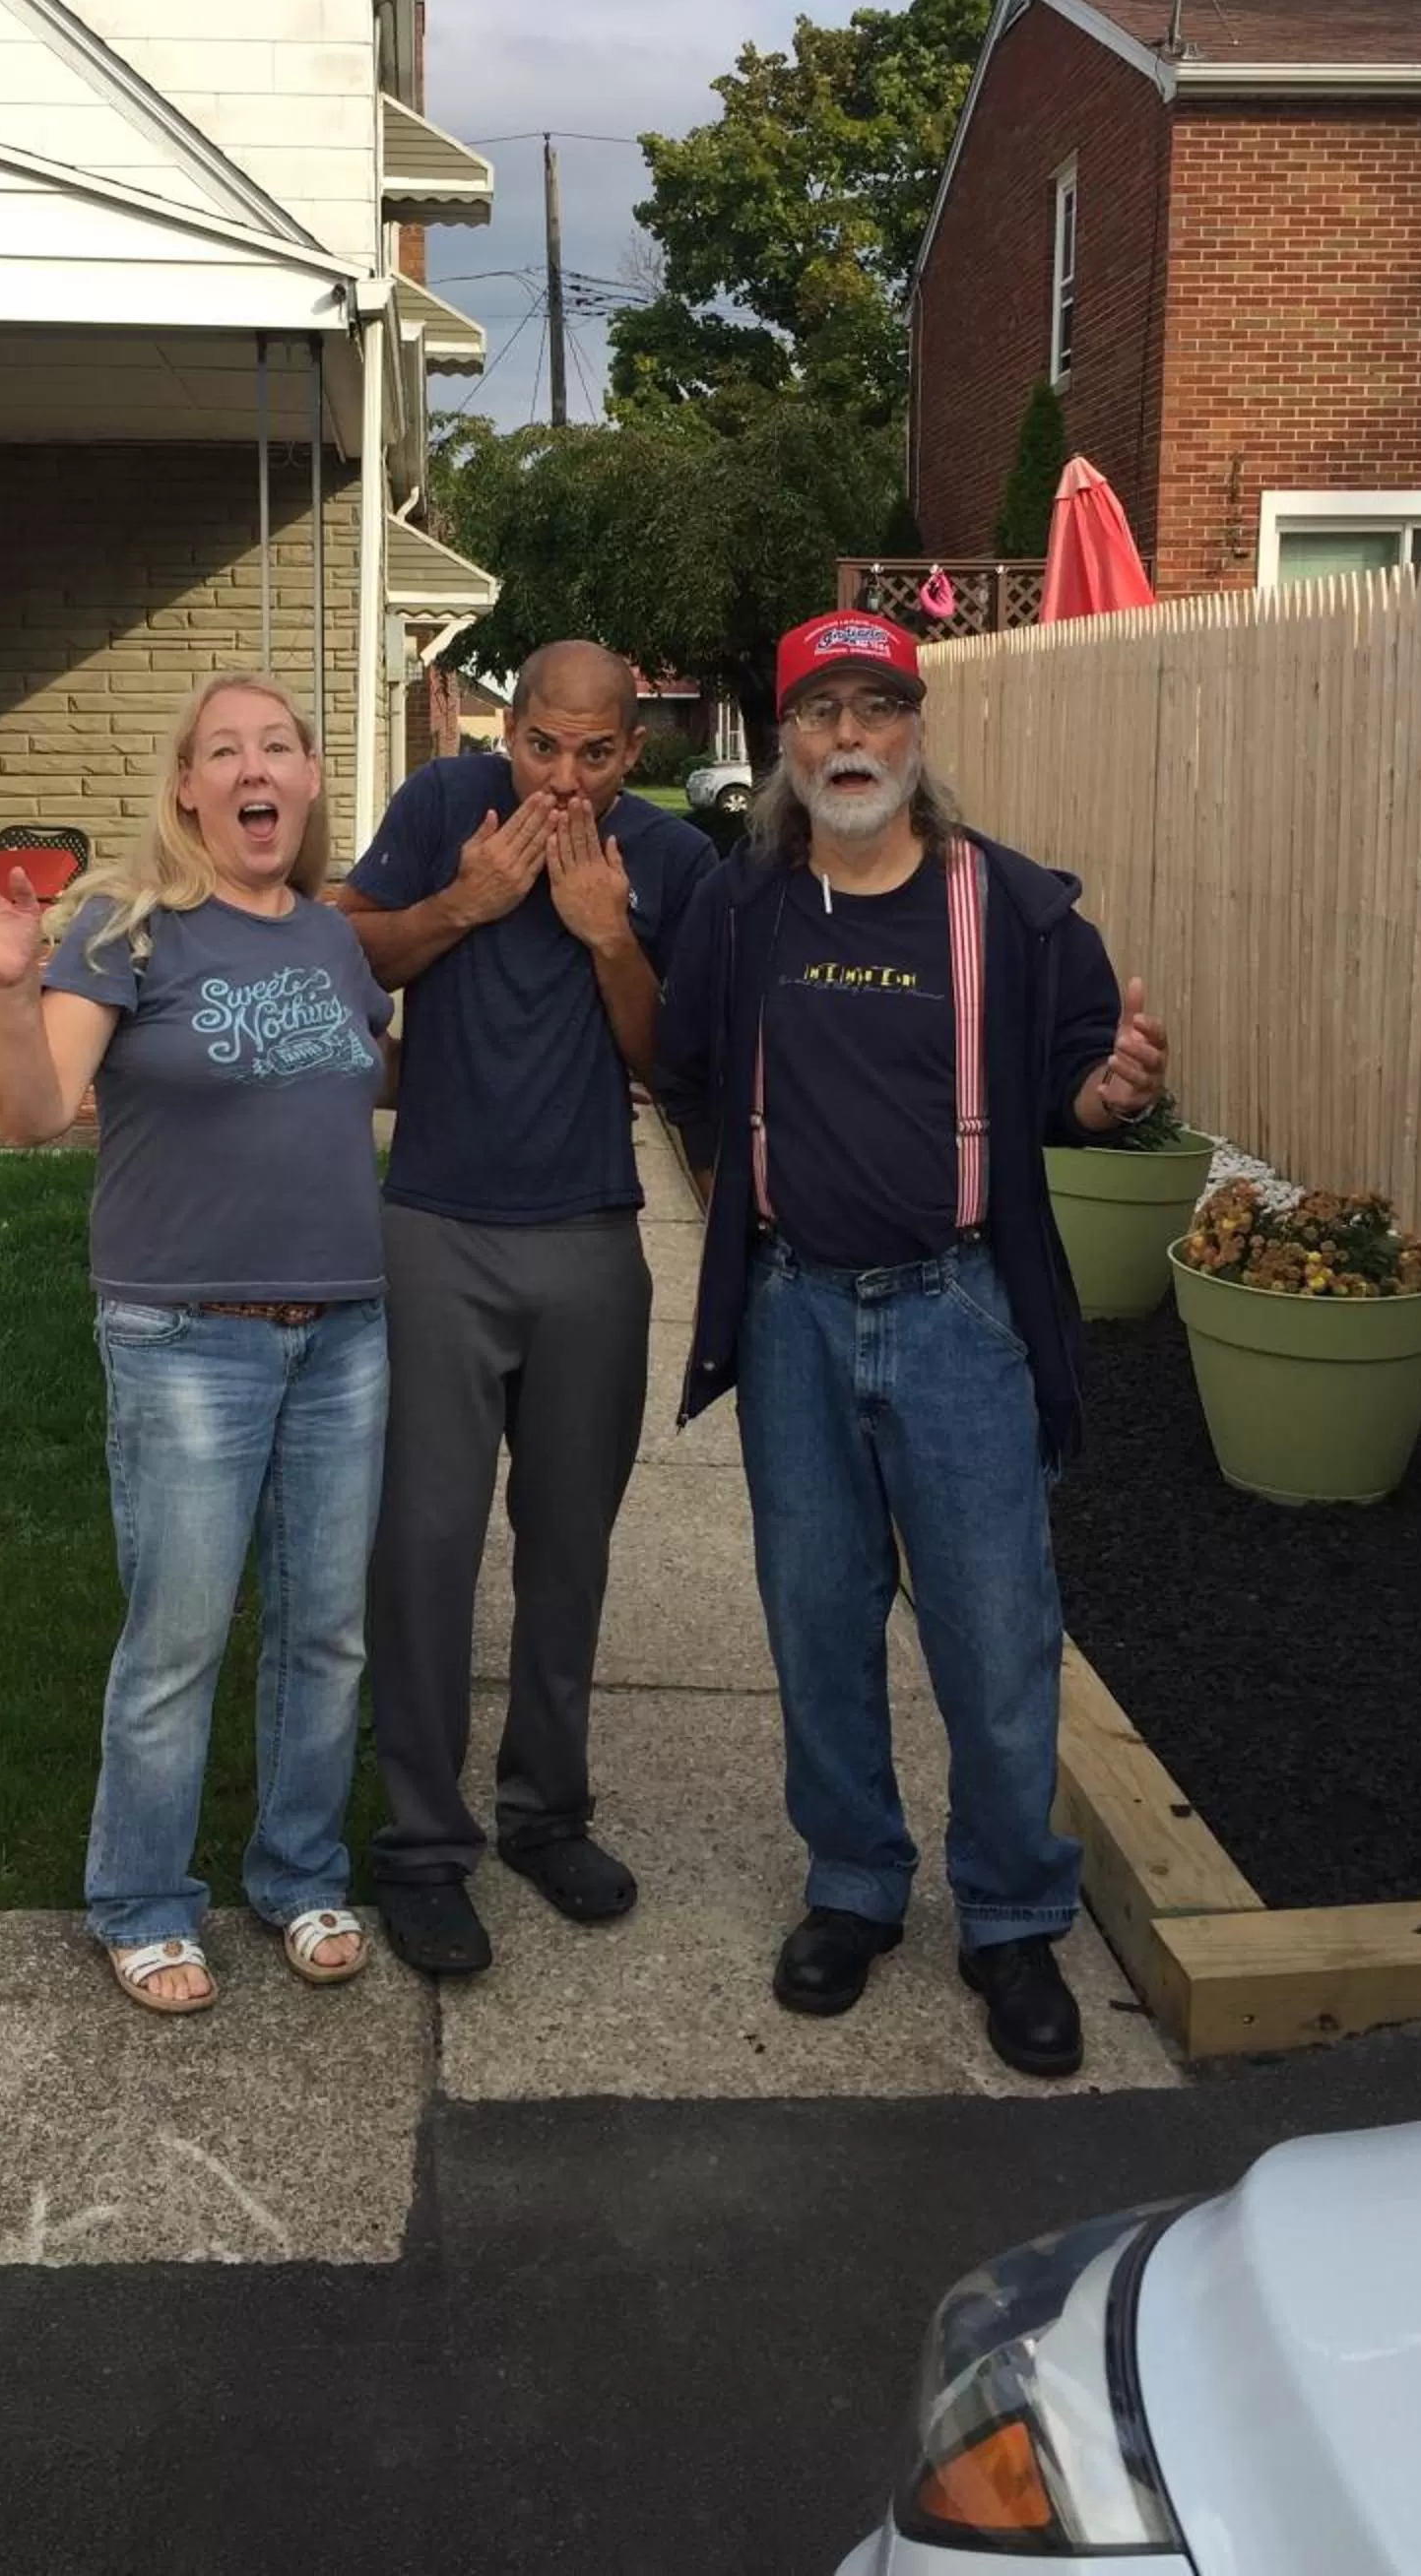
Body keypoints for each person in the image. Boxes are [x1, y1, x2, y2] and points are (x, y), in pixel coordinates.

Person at [655, 609, 1168, 2076]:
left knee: (997, 1638)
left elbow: (1077, 1079)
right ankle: (854, 1887)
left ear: (917, 730)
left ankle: (1008, 1916)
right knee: (816, 1622)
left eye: (876, 710)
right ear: (784, 741)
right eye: (820, 715)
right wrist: (756, 1197)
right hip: (793, 1315)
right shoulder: (742, 908)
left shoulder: (1010, 908)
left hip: (955, 1312)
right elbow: (684, 1068)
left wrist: (1112, 1093)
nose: (848, 741)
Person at [0, 674, 394, 2017]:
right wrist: (11, 988)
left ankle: (298, 1876)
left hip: (344, 1328)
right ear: (185, 788)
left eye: (278, 747)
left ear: (305, 781)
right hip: (188, 1338)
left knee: (326, 1634)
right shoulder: (126, 928)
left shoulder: (332, 943)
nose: (255, 769)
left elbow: (352, 1092)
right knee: (178, 1635)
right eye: (223, 750)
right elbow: (36, 1108)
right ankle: (139, 1898)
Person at [337, 642, 718, 1977]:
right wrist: (465, 903)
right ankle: (423, 1849)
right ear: (512, 735)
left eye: (595, 752)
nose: (563, 776)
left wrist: (610, 938)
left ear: (633, 752)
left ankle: (547, 1814)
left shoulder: (668, 865)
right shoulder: (445, 806)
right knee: (424, 1545)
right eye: (541, 746)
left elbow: (677, 1064)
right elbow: (348, 952)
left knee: (569, 1545)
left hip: (588, 1240)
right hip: (433, 1226)